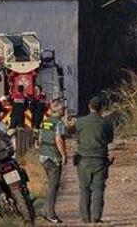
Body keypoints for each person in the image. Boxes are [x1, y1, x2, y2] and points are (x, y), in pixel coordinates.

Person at [75, 96, 114, 224]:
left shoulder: (80, 122)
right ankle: (96, 217)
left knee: (84, 188)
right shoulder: (106, 123)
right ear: (101, 108)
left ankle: (85, 217)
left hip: (83, 160)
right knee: (98, 189)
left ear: (89, 107)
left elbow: (77, 138)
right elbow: (109, 139)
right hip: (100, 159)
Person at [38, 100, 67, 224]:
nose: (65, 111)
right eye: (64, 109)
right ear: (59, 111)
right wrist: (64, 155)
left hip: (43, 157)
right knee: (53, 186)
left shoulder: (45, 122)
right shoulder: (59, 123)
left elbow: (39, 139)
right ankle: (50, 214)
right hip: (53, 157)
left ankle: (45, 211)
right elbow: (58, 139)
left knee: (51, 184)